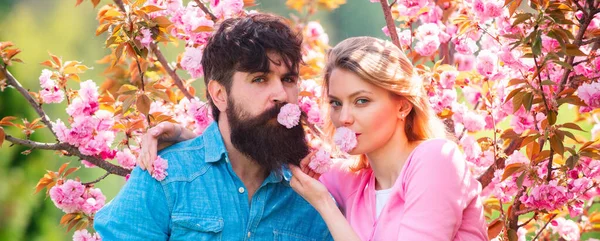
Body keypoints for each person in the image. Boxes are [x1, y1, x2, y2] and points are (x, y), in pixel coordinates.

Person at [141, 37, 488, 240]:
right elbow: (256, 154)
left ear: (402, 105)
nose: (345, 118)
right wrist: (193, 140)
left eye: (362, 101)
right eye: (336, 103)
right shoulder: (348, 181)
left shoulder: (436, 160)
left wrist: (325, 206)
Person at [93, 13, 332, 241]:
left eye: (288, 79)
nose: (281, 94)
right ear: (219, 95)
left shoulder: (313, 196)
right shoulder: (167, 177)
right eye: (259, 79)